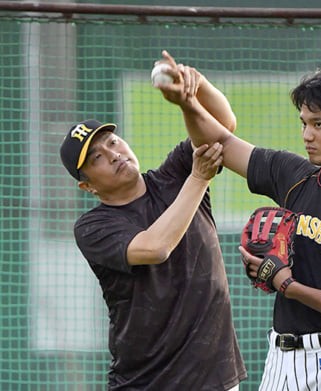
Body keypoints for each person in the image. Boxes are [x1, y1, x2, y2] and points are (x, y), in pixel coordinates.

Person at [157, 51, 321, 391]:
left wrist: (288, 285)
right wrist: (187, 101)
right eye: (304, 122)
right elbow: (221, 142)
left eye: (319, 124)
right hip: (281, 358)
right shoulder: (295, 176)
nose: (307, 134)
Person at [59, 63, 247, 390]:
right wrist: (199, 177)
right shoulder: (93, 227)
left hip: (215, 376)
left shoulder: (174, 175)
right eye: (97, 158)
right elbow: (154, 247)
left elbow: (223, 127)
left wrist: (195, 86)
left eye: (113, 142)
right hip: (147, 381)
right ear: (87, 186)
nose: (113, 154)